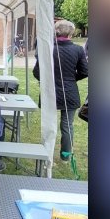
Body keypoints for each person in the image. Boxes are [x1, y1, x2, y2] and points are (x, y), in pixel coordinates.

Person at [33, 19, 88, 162]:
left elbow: (37, 72)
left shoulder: (49, 48)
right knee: (67, 125)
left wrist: (53, 80)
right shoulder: (77, 49)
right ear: (71, 33)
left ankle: (52, 153)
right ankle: (65, 156)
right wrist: (71, 79)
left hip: (51, 91)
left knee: (49, 124)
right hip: (67, 91)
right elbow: (85, 71)